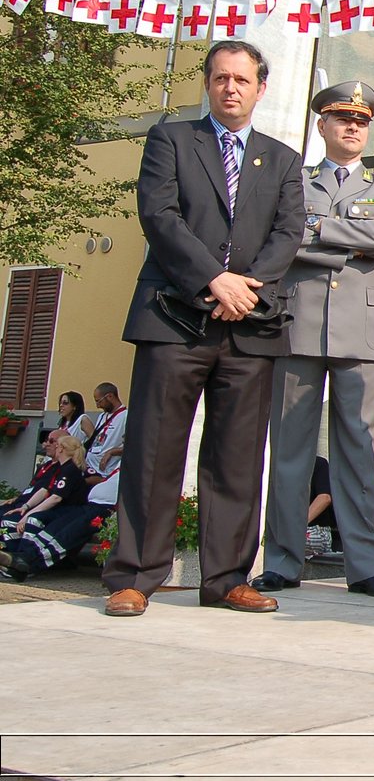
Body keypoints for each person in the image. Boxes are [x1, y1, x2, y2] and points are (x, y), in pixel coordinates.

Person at [102, 39, 306, 617]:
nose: (231, 88)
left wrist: (245, 288)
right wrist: (216, 280)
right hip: (174, 316)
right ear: (209, 84)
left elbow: (288, 234)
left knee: (238, 458)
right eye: (221, 78)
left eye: (243, 80)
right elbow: (158, 216)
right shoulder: (171, 140)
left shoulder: (284, 159)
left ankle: (225, 579)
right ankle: (136, 576)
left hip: (251, 325)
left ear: (260, 88)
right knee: (154, 451)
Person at [252, 81, 374, 600]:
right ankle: (281, 560)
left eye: (361, 121)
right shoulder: (293, 181)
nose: (353, 128)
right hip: (297, 325)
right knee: (291, 449)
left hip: (360, 332)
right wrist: (345, 241)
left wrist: (319, 231)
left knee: (359, 449)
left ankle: (364, 565)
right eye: (343, 119)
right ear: (322, 125)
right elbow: (284, 237)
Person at [0, 470, 118, 582]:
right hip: (90, 505)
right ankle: (22, 560)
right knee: (54, 527)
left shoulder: (134, 466)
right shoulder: (122, 465)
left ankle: (26, 564)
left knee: (68, 533)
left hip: (107, 509)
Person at [1, 434, 88, 534]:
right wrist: (25, 507)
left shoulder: (70, 470)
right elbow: (44, 490)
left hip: (65, 511)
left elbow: (56, 498)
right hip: (54, 509)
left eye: (57, 445)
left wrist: (28, 514)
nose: (54, 446)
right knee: (8, 515)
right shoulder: (59, 467)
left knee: (16, 521)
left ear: (61, 449)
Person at [82, 383, 127, 485]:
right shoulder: (102, 416)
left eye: (99, 401)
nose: (97, 405)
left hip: (104, 472)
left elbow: (133, 446)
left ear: (110, 396)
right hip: (90, 465)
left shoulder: (126, 416)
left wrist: (112, 452)